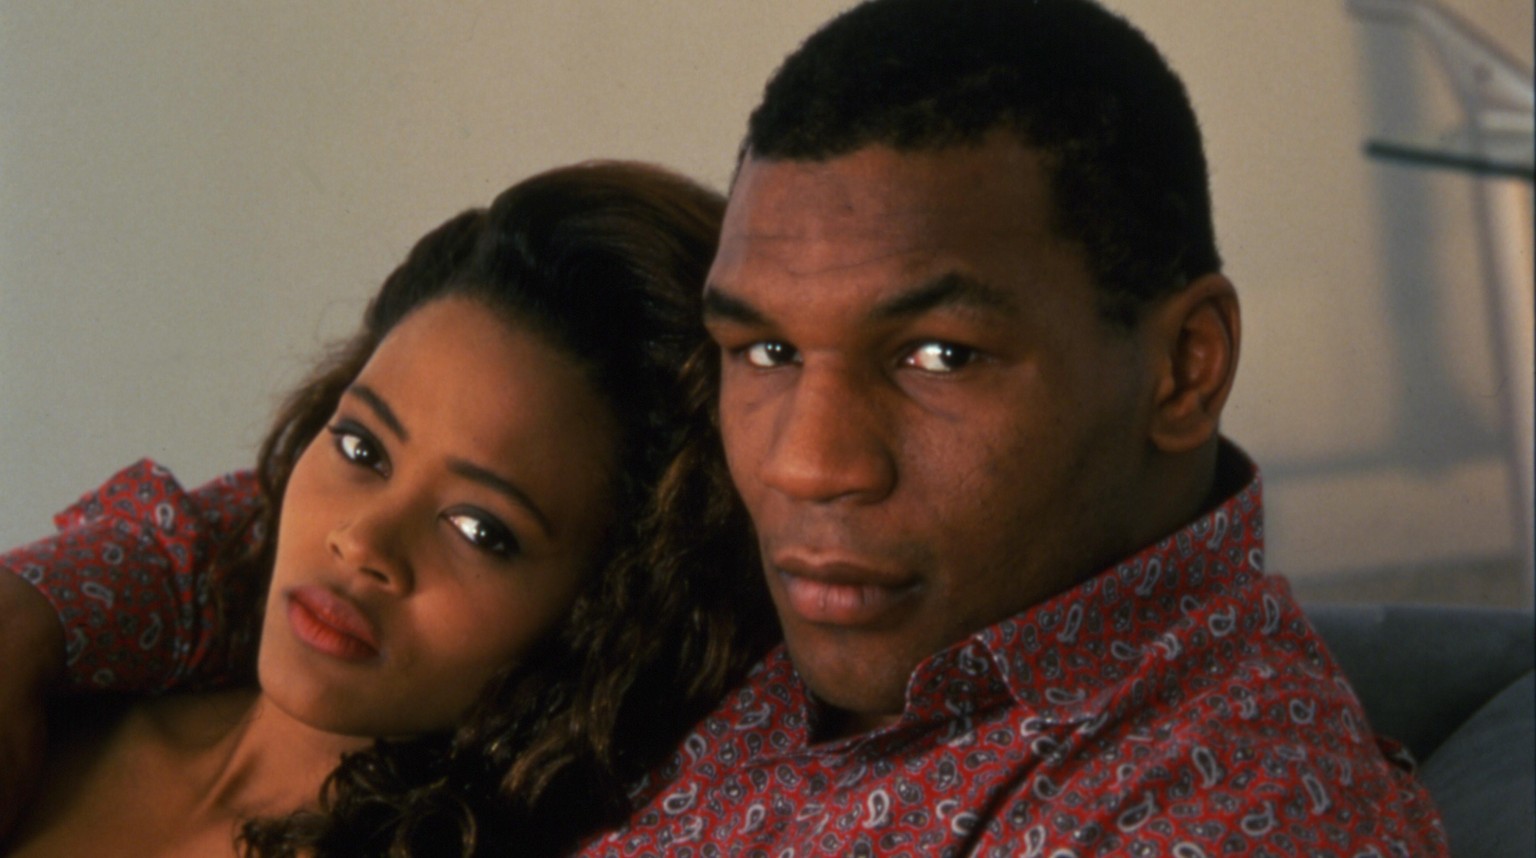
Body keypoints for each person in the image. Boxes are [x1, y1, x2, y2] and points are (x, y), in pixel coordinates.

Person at [3, 1, 1448, 855]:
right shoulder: (796, 591)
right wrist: (28, 616)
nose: (809, 460)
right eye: (763, 345)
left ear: (1183, 366)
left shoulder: (1224, 800)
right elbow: (285, 527)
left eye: (938, 352)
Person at [0, 161, 774, 856]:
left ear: (600, 616)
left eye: (480, 530)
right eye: (363, 449)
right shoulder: (54, 689)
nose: (363, 540)